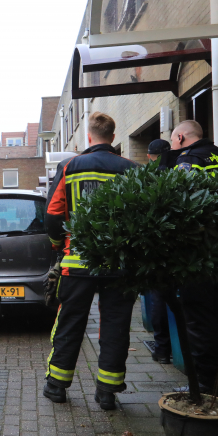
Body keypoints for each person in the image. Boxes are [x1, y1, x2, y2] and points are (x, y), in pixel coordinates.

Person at [43, 112, 138, 410]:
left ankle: (57, 386)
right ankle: (107, 392)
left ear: (88, 137)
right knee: (116, 325)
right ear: (112, 136)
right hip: (119, 264)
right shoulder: (130, 169)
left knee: (70, 322)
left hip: (77, 263)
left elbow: (53, 214)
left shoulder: (71, 166)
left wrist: (59, 246)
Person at [162, 120, 218, 396]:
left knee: (197, 318)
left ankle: (205, 384)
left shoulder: (189, 159)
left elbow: (178, 200)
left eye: (172, 142)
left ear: (180, 137)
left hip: (197, 251)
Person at [146, 139, 172, 365]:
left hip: (159, 250)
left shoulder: (151, 178)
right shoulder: (179, 172)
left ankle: (162, 350)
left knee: (159, 298)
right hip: (184, 252)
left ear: (150, 156)